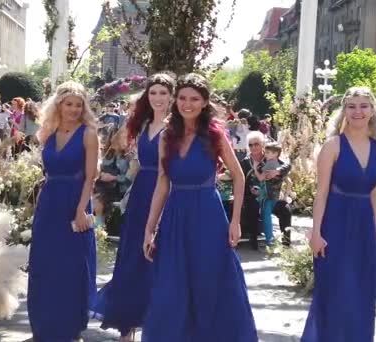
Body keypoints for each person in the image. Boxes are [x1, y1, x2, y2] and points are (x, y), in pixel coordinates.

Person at [141, 73, 257, 341]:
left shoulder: (215, 135)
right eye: (182, 98)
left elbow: (239, 177)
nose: (187, 104)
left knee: (210, 284)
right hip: (175, 217)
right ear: (175, 100)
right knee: (172, 285)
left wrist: (235, 220)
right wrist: (150, 228)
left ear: (204, 102)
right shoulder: (167, 136)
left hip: (209, 216)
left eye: (194, 99)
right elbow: (162, 181)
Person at [302, 86, 376, 342]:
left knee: (362, 297)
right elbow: (321, 194)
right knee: (334, 295)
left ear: (373, 110)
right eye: (351, 106)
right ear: (344, 111)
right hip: (335, 229)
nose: (358, 111)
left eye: (364, 106)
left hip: (364, 232)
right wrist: (316, 233)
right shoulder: (333, 146)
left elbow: (375, 197)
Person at [90, 73, 174, 341]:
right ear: (147, 97)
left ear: (171, 96)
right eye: (154, 93)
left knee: (158, 258)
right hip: (140, 194)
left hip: (166, 192)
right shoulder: (145, 124)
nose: (158, 98)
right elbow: (138, 164)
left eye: (163, 93)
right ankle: (128, 327)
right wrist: (127, 190)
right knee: (132, 257)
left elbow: (169, 170)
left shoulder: (175, 127)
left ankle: (156, 326)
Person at [28, 81, 99, 342]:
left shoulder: (89, 133)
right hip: (49, 203)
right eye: (69, 104)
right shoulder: (48, 131)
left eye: (79, 105)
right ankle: (43, 322)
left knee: (71, 265)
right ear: (59, 104)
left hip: (75, 201)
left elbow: (91, 176)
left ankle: (69, 325)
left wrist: (81, 209)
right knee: (44, 263)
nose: (74, 109)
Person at [240, 131, 292, 249]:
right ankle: (254, 240)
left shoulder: (270, 155)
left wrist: (278, 171)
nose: (253, 147)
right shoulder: (245, 162)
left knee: (285, 209)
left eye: (256, 144)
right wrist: (251, 189)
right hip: (253, 196)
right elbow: (241, 180)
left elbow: (287, 165)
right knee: (252, 206)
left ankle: (286, 243)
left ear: (262, 144)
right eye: (250, 145)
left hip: (272, 195)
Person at [252, 141, 285, 246]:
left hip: (268, 196)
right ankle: (269, 239)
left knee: (266, 217)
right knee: (266, 216)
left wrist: (255, 168)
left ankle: (269, 240)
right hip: (274, 195)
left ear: (276, 154)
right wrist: (286, 195)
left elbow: (261, 178)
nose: (265, 154)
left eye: (268, 152)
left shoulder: (270, 164)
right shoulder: (278, 164)